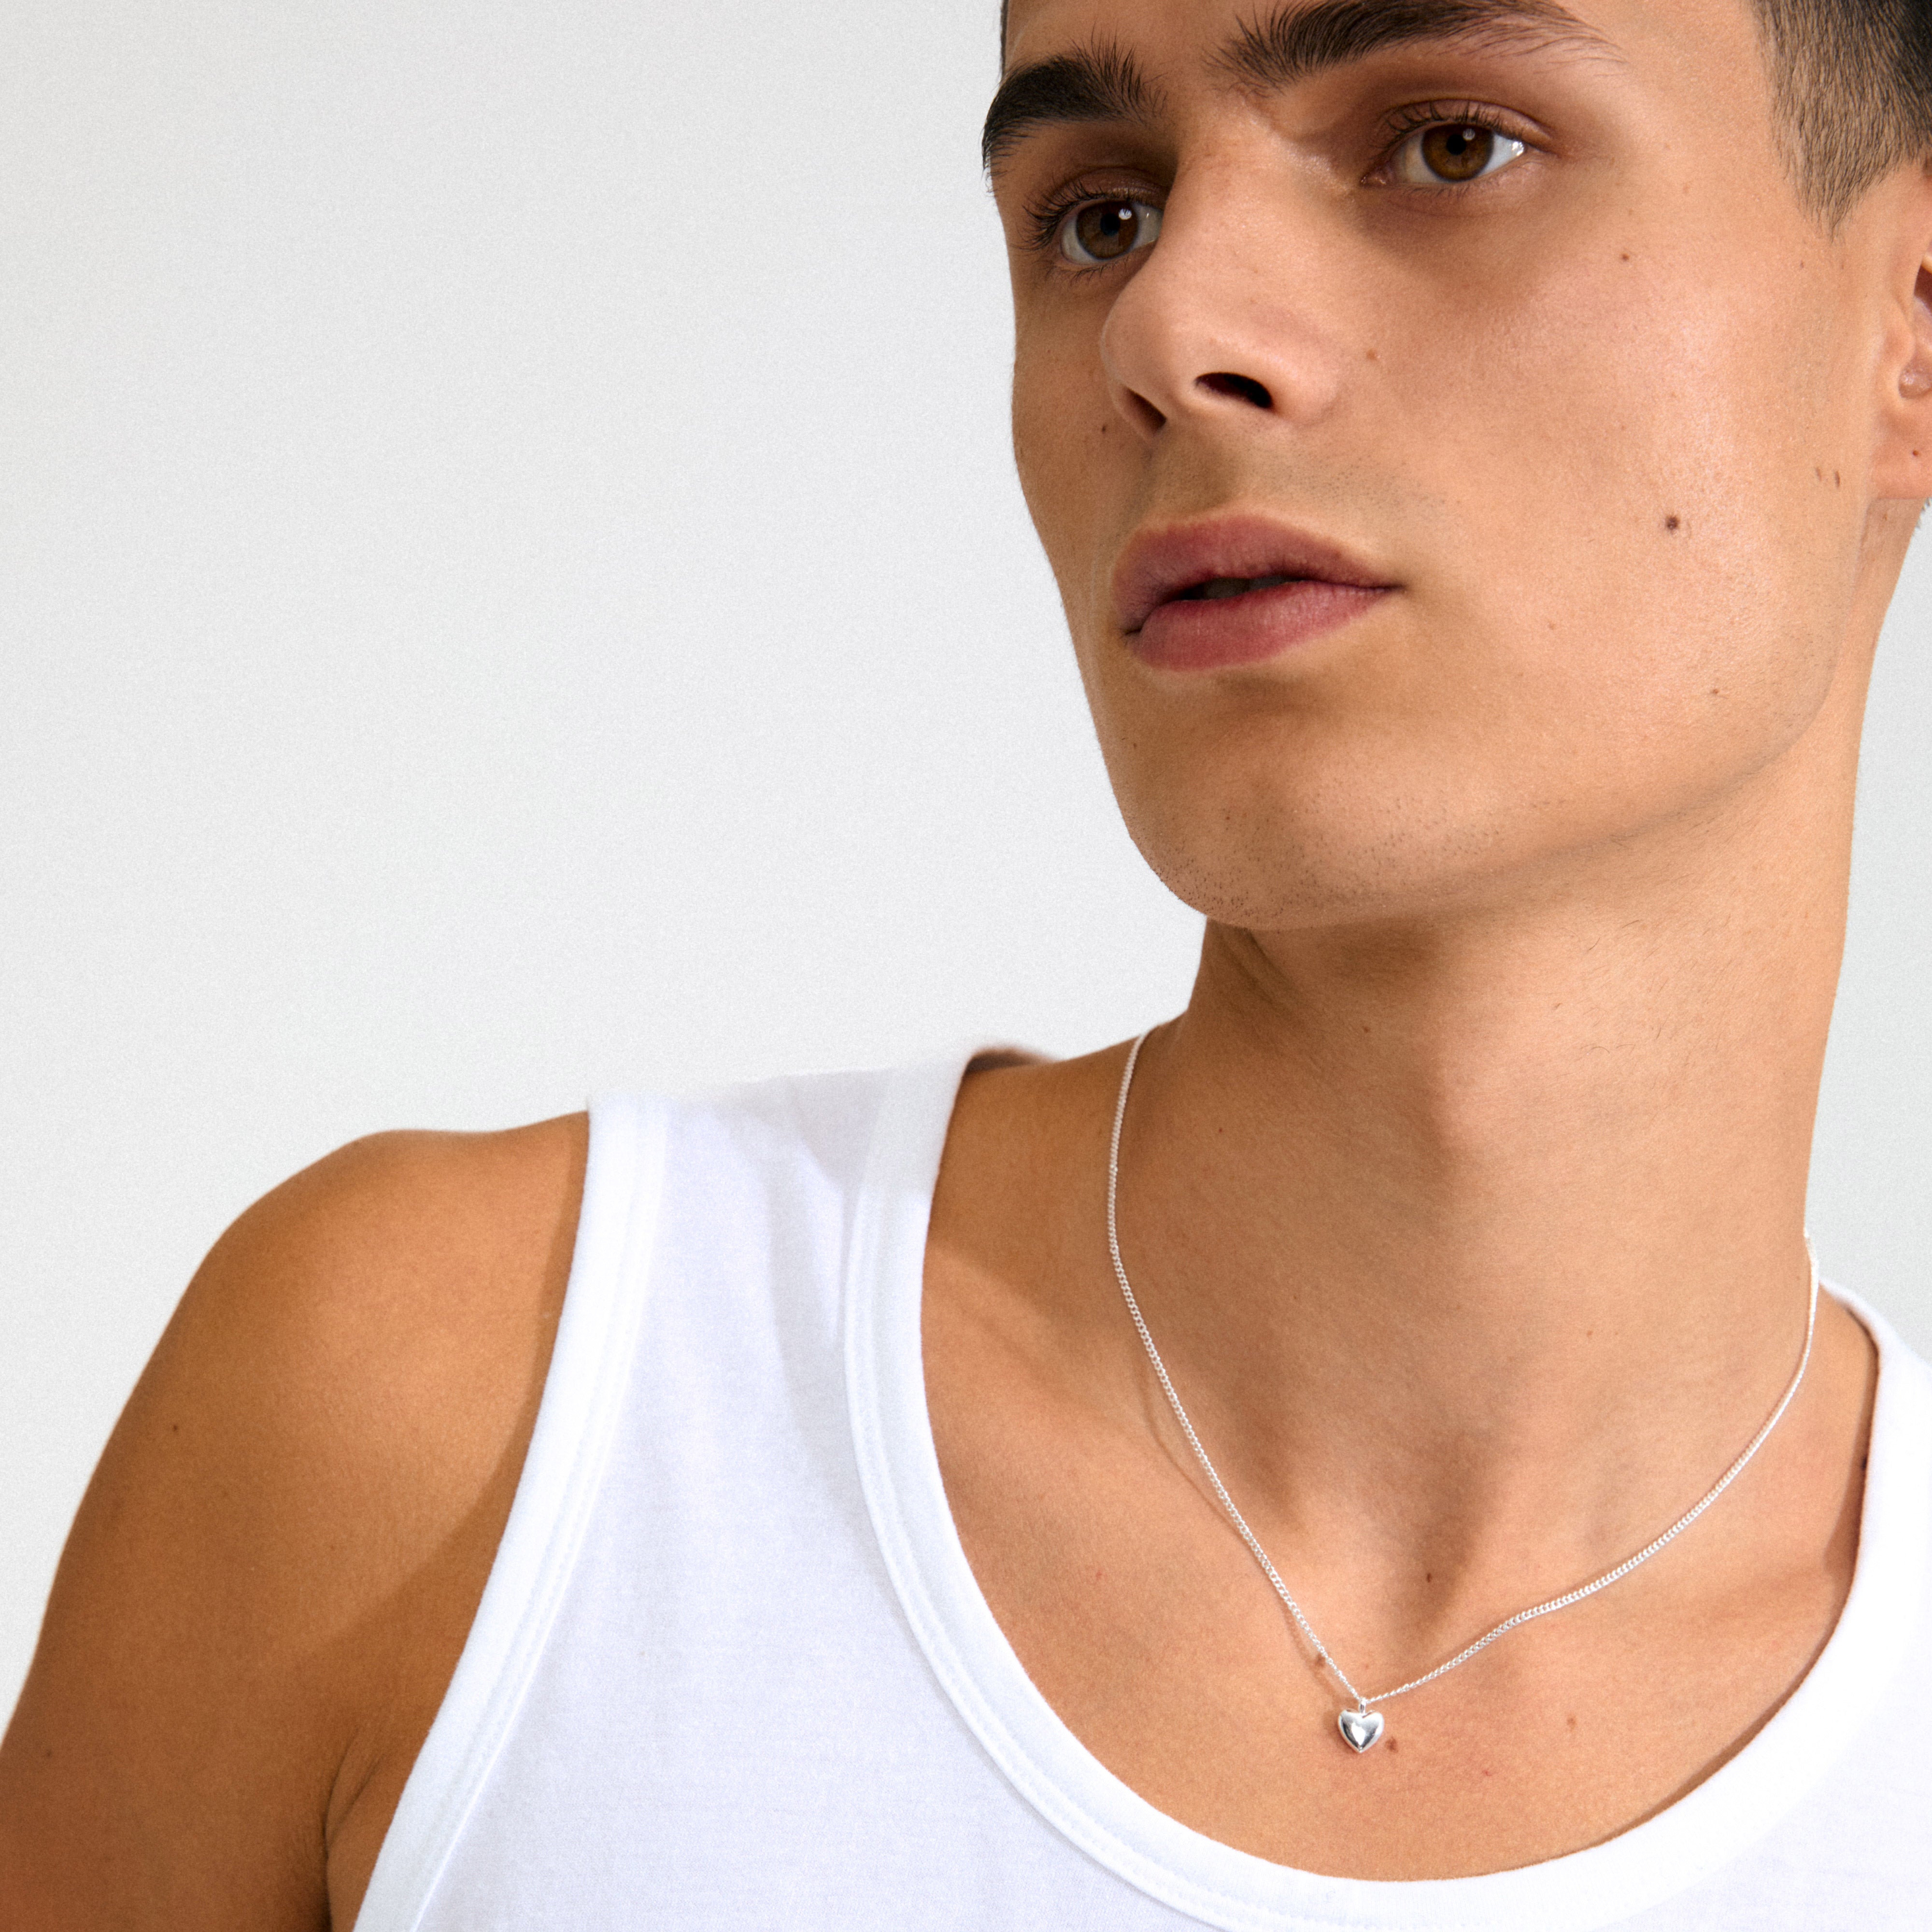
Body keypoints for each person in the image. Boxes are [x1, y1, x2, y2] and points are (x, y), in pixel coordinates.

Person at [4, 0, 1930, 1922]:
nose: (1168, 328)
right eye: (1100, 215)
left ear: (1908, 323)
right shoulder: (447, 1436)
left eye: (1447, 148)